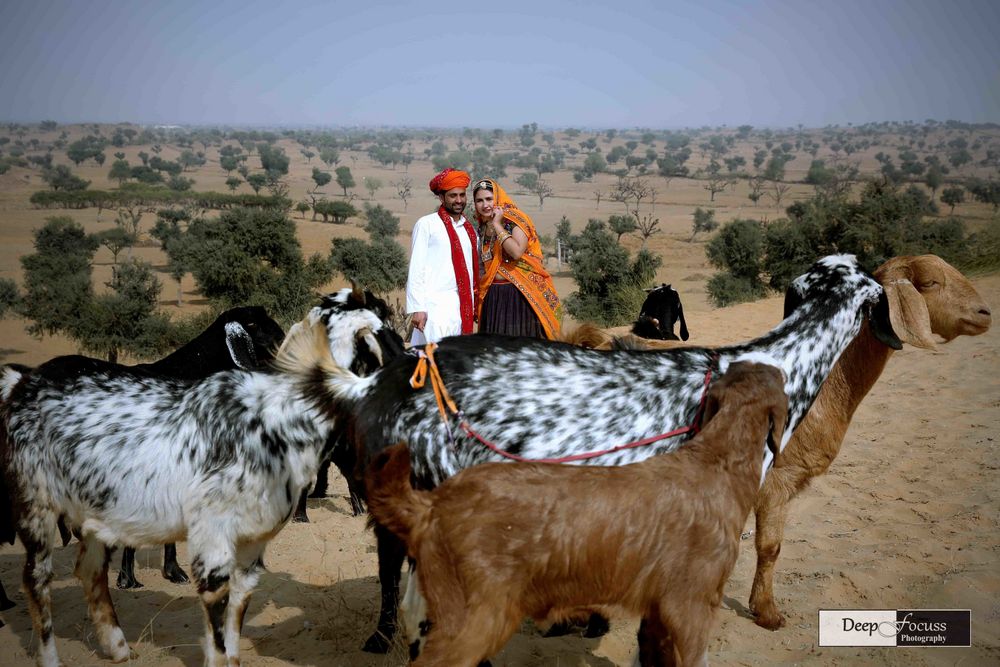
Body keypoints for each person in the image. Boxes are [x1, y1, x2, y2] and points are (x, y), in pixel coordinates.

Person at [473, 178, 560, 339]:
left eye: (489, 199)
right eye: (479, 200)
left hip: (519, 295)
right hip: (493, 297)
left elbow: (516, 252)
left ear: (498, 198)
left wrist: (498, 225)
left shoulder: (515, 220)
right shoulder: (482, 228)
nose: (485, 204)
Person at [405, 168, 478, 345]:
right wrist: (417, 308)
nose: (459, 200)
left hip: (461, 308)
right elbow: (416, 268)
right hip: (434, 307)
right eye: (453, 196)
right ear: (441, 197)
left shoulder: (470, 230)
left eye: (462, 195)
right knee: (433, 359)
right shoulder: (427, 224)